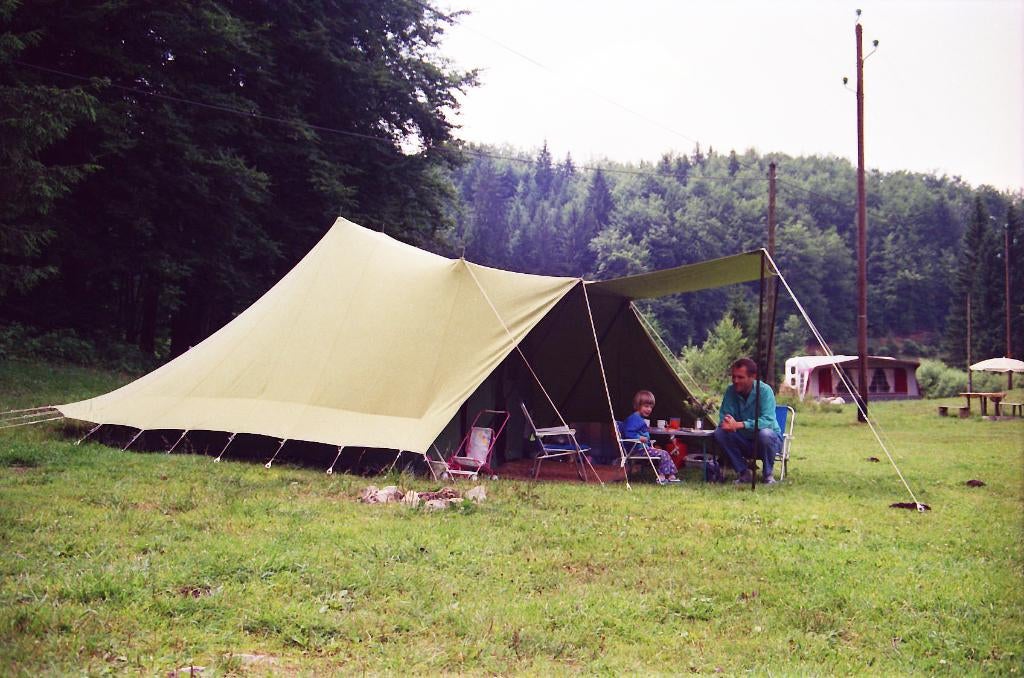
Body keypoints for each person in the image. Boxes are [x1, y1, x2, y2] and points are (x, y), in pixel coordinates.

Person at [713, 358, 783, 484]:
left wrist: (739, 424)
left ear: (753, 377)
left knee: (765, 434)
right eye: (733, 377)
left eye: (740, 377)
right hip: (743, 441)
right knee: (720, 432)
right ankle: (744, 473)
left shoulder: (765, 391)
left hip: (767, 442)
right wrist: (728, 423)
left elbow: (767, 421)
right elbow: (725, 416)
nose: (735, 381)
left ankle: (768, 475)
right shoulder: (730, 391)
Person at [621, 390, 680, 484]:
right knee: (663, 453)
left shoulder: (639, 419)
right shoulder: (633, 419)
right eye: (646, 406)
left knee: (664, 452)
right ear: (637, 405)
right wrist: (639, 438)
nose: (649, 409)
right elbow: (629, 434)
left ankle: (671, 475)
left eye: (651, 407)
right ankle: (661, 476)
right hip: (637, 450)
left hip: (644, 448)